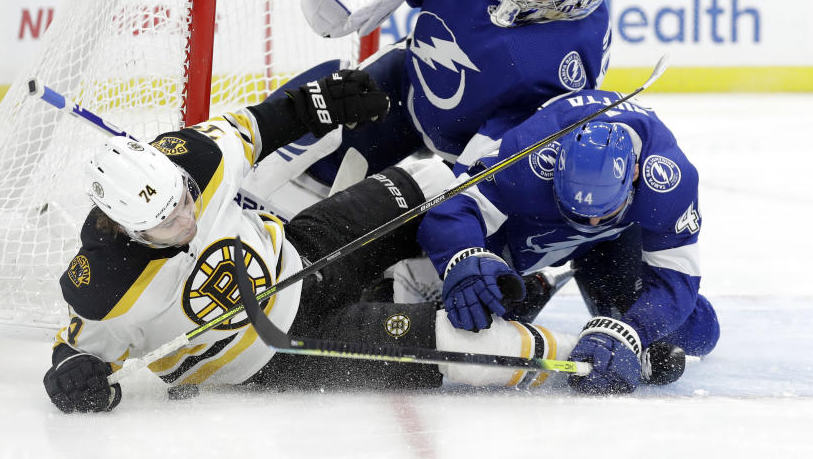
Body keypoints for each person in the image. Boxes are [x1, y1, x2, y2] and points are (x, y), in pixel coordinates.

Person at [42, 68, 605, 412]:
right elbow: (75, 353)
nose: (186, 218)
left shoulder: (193, 157)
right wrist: (75, 380)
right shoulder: (105, 287)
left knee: (436, 178)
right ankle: (585, 354)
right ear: (129, 230)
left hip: (305, 251)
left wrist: (319, 102)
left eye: (185, 199)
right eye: (166, 224)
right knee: (479, 354)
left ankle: (488, 266)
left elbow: (257, 126)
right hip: (282, 354)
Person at [241, 0, 612, 224]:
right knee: (330, 99)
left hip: (460, 148)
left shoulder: (578, 53)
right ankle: (243, 180)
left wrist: (466, 191)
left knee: (422, 228)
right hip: (408, 83)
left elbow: (526, 132)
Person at [415, 89, 720, 394]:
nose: (591, 222)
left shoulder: (668, 181)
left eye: (603, 211)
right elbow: (454, 206)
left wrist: (633, 331)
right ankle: (532, 283)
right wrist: (464, 255)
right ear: (556, 168)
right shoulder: (529, 159)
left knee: (697, 333)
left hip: (614, 242)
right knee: (477, 318)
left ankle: (577, 274)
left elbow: (676, 280)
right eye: (577, 208)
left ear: (635, 175)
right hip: (532, 225)